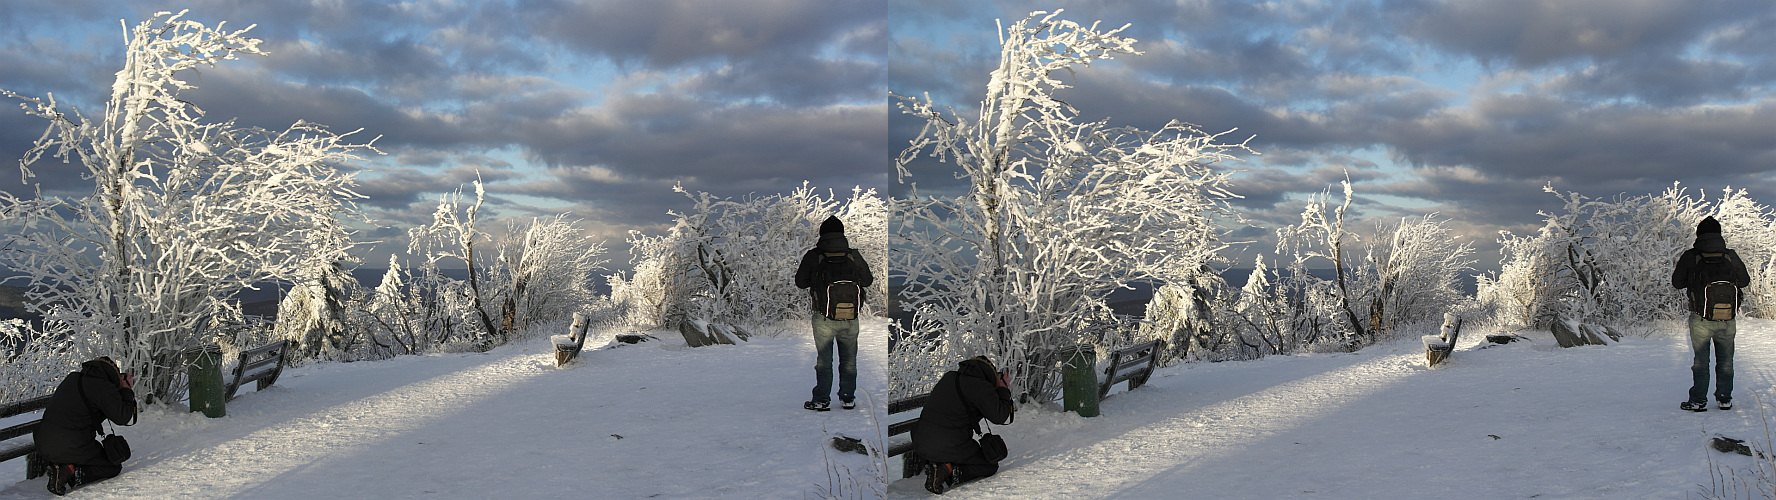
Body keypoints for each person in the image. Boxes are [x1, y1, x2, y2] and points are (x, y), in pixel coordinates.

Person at [1672, 216, 1751, 412]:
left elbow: (1677, 282)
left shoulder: (1691, 256)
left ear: (1699, 234)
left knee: (1701, 360)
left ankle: (1698, 400)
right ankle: (1724, 398)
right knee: (1725, 360)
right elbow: (1744, 281)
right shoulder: (1730, 256)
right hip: (1727, 318)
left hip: (1700, 317)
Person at [794, 215, 873, 411]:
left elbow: (800, 282)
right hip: (850, 318)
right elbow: (868, 281)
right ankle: (848, 398)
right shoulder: (853, 255)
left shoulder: (814, 256)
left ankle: (821, 399)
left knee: (824, 360)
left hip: (823, 317)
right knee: (848, 360)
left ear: (822, 234)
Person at [34, 356, 138, 496]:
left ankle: (64, 464)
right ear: (111, 374)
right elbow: (123, 417)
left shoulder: (73, 378)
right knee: (112, 466)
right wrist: (126, 390)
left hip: (42, 442)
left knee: (79, 447)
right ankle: (69, 471)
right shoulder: (102, 387)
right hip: (71, 445)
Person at [912, 356, 1016, 495]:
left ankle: (940, 463)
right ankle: (947, 470)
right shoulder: (979, 386)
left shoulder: (950, 378)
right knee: (989, 465)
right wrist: (1002, 388)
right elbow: (1000, 416)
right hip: (948, 444)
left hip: (919, 442)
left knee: (951, 443)